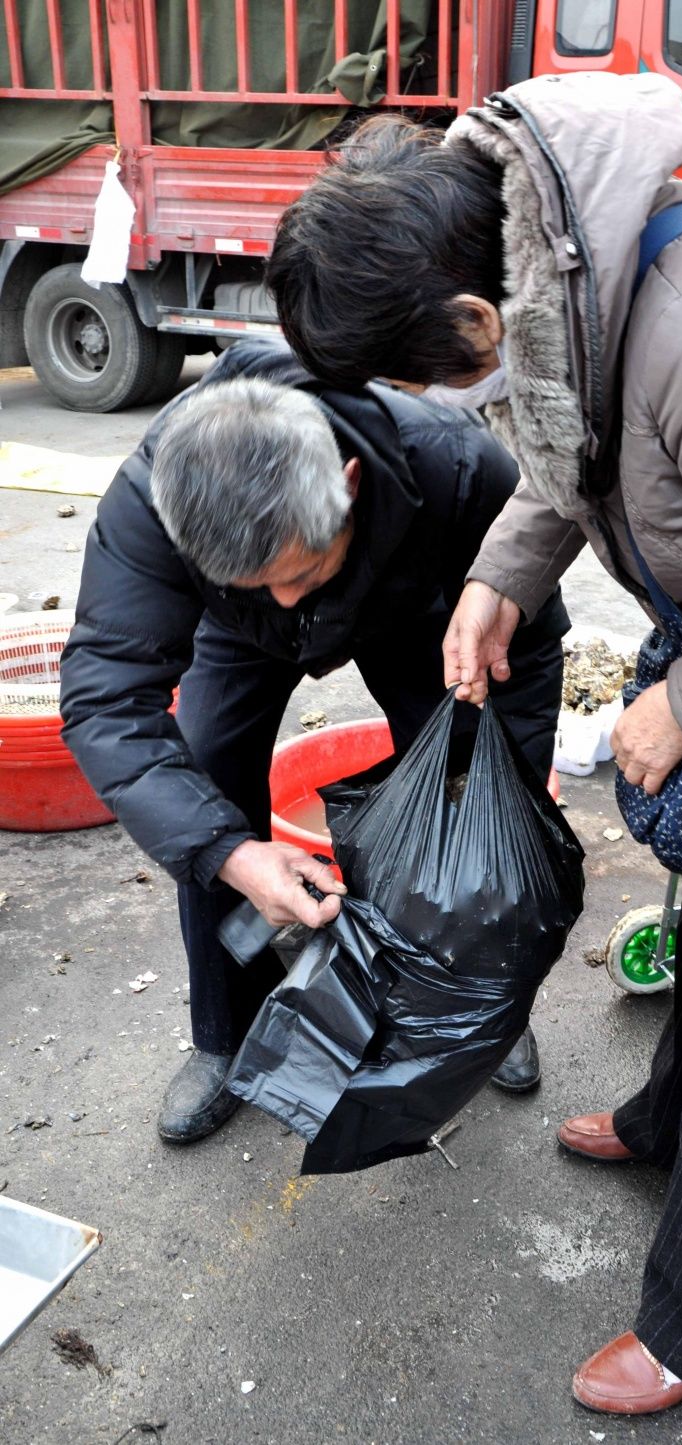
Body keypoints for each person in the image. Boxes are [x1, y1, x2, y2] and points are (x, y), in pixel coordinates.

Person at [265, 74, 682, 1415]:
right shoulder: (562, 280)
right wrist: (499, 580)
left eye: (424, 372)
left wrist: (678, 708)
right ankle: (660, 1125)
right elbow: (561, 456)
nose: (441, 392)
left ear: (475, 316)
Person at [60, 338, 568, 1142]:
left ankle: (479, 999)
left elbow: (527, 648)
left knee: (466, 797)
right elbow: (105, 700)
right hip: (239, 637)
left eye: (300, 570)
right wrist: (232, 852)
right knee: (206, 787)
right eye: (260, 579)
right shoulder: (151, 502)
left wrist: (508, 791)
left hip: (411, 609)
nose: (288, 595)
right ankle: (226, 1038)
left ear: (348, 483)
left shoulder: (454, 465)